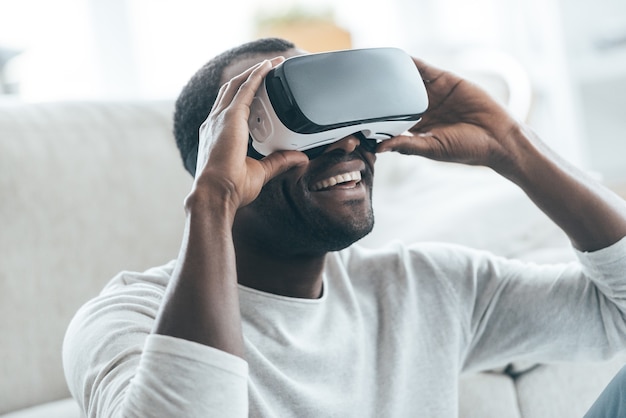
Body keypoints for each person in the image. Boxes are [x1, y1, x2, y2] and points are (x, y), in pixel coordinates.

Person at [63, 37, 626, 417]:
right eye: (291, 121)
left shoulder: (424, 286)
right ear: (221, 151)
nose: (345, 141)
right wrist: (212, 201)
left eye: (342, 114)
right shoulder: (125, 319)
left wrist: (509, 143)